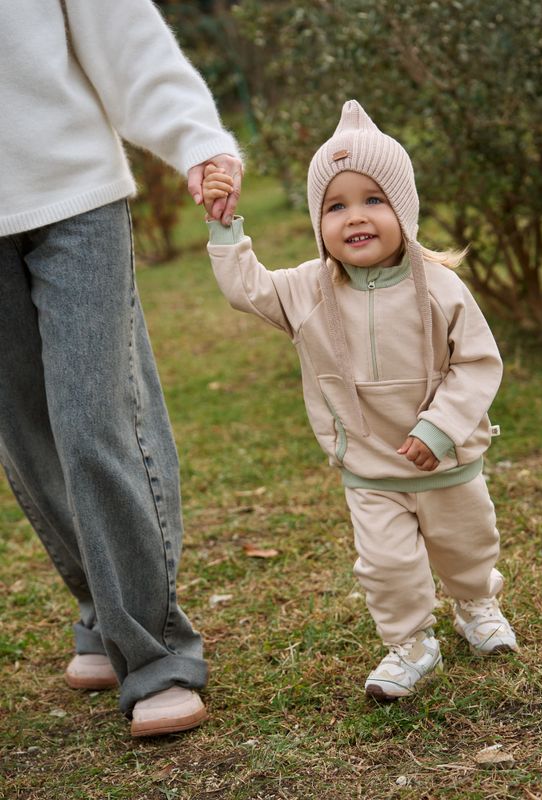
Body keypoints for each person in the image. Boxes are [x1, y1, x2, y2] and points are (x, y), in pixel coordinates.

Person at [202, 100, 518, 701]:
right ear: (318, 221)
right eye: (336, 205)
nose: (356, 217)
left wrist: (439, 428)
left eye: (374, 200)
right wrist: (226, 227)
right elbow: (246, 289)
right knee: (386, 567)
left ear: (404, 209)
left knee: (467, 548)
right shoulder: (306, 292)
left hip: (447, 463)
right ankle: (411, 643)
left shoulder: (442, 289)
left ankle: (476, 604)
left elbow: (478, 363)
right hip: (370, 469)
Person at [0, 0, 242, 736]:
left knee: (93, 422)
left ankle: (155, 652)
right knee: (28, 437)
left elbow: (125, 38)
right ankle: (101, 607)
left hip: (75, 199)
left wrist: (196, 140)